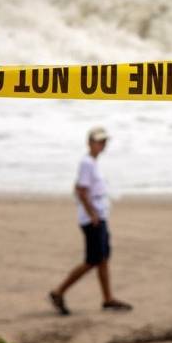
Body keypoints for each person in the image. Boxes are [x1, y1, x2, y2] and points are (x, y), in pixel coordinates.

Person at [49, 127, 132, 315]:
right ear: (90, 142)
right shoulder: (87, 163)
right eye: (99, 141)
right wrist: (92, 213)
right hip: (92, 219)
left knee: (103, 259)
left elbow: (78, 186)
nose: (102, 145)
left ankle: (108, 298)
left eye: (104, 142)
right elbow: (81, 190)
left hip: (99, 216)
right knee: (93, 260)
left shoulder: (92, 163)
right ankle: (58, 291)